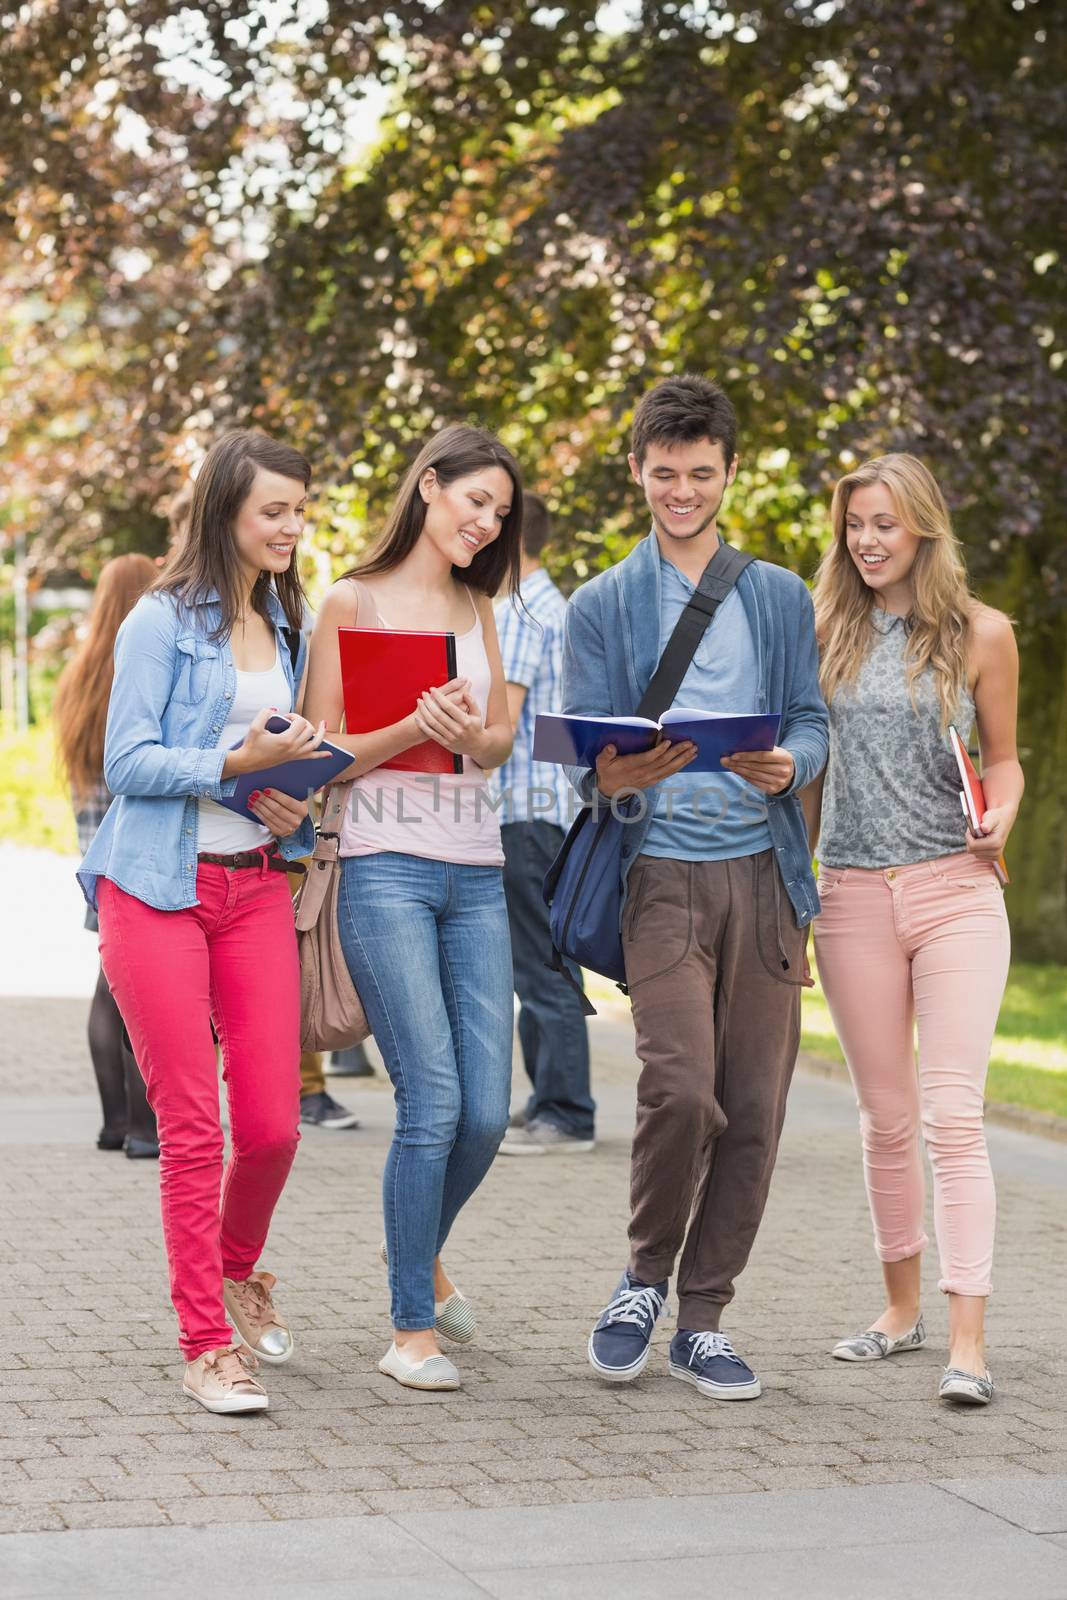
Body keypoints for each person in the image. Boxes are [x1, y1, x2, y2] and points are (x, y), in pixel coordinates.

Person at [567, 375, 828, 1401]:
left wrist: (789, 766)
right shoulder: (602, 603)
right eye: (664, 473)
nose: (682, 492)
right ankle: (640, 1279)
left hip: (762, 876)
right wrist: (611, 771)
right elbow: (585, 749)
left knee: (755, 1104)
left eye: (700, 474)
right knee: (680, 1088)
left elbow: (808, 718)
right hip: (660, 876)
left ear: (728, 473)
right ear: (635, 469)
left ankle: (703, 1317)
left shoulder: (774, 594)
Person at [78, 429, 328, 1415]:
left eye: (299, 512)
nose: (290, 528)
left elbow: (276, 766)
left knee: (271, 1126)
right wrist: (237, 766)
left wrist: (289, 793)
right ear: (226, 509)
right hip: (156, 889)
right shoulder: (159, 620)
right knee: (191, 1128)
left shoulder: (284, 621)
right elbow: (127, 759)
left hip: (256, 884)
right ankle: (206, 1342)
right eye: (274, 511)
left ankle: (233, 1266)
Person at [303, 423, 521, 1391]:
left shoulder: (481, 607)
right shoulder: (349, 599)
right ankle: (407, 1330)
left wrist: (475, 732)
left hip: (475, 869)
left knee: (485, 1113)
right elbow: (314, 754)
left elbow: (502, 742)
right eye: (475, 501)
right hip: (383, 863)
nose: (485, 523)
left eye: (500, 514)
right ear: (427, 486)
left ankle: (418, 1254)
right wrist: (408, 726)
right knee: (429, 1102)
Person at [805, 453, 1021, 1407]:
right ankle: (899, 1313)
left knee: (950, 1114)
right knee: (884, 1119)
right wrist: (792, 888)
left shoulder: (981, 634)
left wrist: (1001, 814)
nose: (867, 541)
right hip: (849, 896)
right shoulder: (823, 632)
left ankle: (966, 1340)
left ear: (923, 528)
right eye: (854, 525)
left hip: (955, 892)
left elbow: (1005, 763)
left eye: (884, 524)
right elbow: (805, 775)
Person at [494, 493, 595, 1155]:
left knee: (540, 967)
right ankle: (549, 1101)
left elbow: (498, 720)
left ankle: (564, 1112)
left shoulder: (519, 611)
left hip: (524, 809)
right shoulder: (554, 605)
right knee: (542, 963)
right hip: (550, 809)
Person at [54, 554, 159, 1158]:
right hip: (135, 851)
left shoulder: (78, 678)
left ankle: (115, 1123)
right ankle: (143, 1129)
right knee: (131, 994)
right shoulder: (139, 668)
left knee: (108, 991)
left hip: (92, 852)